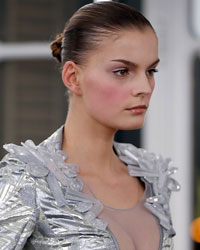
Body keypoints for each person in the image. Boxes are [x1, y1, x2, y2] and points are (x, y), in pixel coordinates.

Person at [0, 2, 180, 250]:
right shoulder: (28, 180)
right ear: (73, 77)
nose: (144, 87)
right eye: (122, 71)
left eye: (151, 70)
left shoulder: (153, 178)